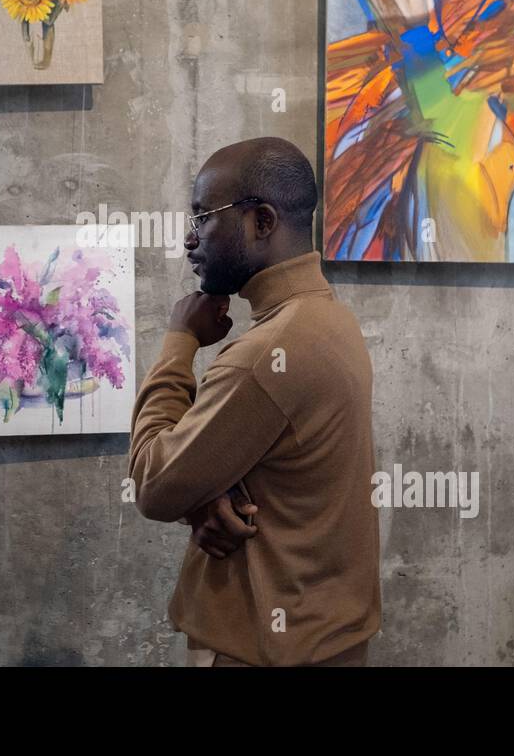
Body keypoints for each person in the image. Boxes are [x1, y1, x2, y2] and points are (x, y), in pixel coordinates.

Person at [129, 137, 381, 666]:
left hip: (272, 651)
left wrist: (179, 340)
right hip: (323, 640)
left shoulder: (266, 353)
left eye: (204, 216)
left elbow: (153, 484)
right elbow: (280, 468)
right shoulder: (330, 319)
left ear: (261, 222)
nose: (189, 238)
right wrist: (204, 493)